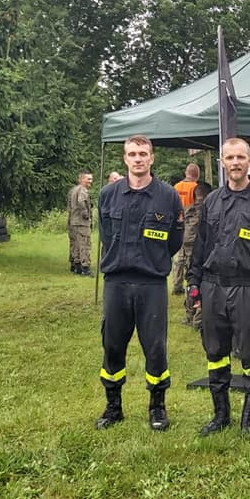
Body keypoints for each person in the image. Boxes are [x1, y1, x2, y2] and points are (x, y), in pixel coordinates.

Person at [186, 138, 250, 435]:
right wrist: (193, 284)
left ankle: (249, 418)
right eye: (229, 157)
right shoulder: (213, 201)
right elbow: (199, 248)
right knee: (215, 352)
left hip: (249, 288)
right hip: (214, 287)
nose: (235, 163)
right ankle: (220, 416)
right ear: (222, 162)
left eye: (240, 157)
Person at [95, 135, 184, 432]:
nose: (138, 159)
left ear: (152, 158)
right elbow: (107, 235)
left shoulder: (168, 196)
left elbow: (174, 240)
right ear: (125, 159)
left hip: (151, 283)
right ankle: (113, 406)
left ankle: (157, 407)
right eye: (132, 154)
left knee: (155, 347)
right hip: (117, 282)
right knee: (112, 345)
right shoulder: (108, 194)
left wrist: (152, 259)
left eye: (143, 153)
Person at [181, 181, 213, 330]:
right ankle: (199, 320)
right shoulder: (209, 210)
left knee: (191, 281)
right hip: (202, 250)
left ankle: (189, 314)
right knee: (203, 282)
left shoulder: (189, 209)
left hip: (187, 248)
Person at [172, 163, 201, 294]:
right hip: (191, 226)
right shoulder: (196, 187)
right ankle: (191, 283)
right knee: (191, 256)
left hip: (178, 225)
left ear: (186, 173)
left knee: (178, 257)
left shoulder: (176, 187)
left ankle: (177, 285)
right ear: (197, 175)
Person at [67, 170, 93, 276]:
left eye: (91, 179)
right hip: (82, 222)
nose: (90, 181)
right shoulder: (83, 190)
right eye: (88, 179)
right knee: (85, 244)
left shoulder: (73, 190)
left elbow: (69, 204)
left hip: (73, 221)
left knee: (76, 245)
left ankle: (76, 266)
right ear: (81, 179)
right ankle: (85, 268)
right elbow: (81, 201)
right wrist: (85, 214)